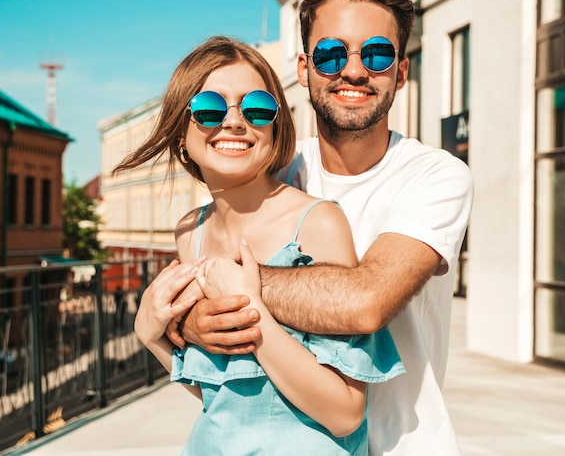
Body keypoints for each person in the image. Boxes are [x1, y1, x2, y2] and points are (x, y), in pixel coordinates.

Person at [170, 0, 474, 455]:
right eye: (331, 55)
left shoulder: (435, 175)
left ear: (402, 71)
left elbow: (365, 303)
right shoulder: (271, 175)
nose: (353, 70)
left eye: (377, 54)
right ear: (303, 68)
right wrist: (184, 320)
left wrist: (214, 289)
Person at [113, 35, 404, 455]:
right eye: (211, 107)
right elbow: (224, 400)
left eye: (257, 108)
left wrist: (255, 313)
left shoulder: (317, 223)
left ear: (275, 127)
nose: (234, 121)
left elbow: (344, 413)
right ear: (180, 131)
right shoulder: (189, 232)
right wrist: (151, 335)